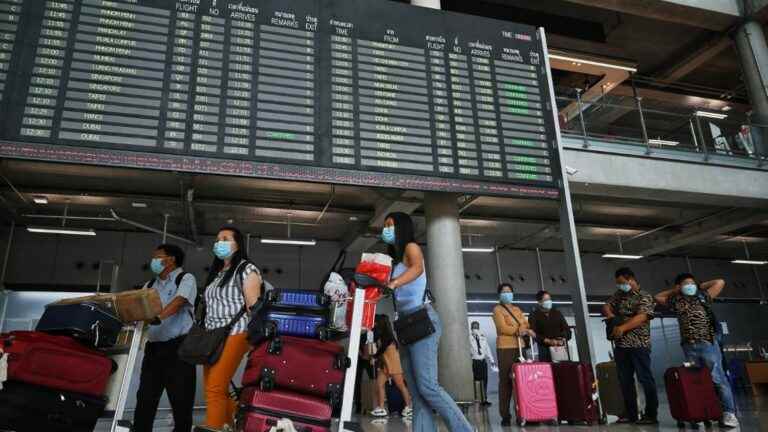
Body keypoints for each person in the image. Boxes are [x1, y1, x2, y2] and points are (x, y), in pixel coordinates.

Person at [383, 212, 473, 432]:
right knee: (416, 392)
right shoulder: (394, 261)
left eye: (390, 225)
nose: (386, 230)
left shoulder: (411, 247)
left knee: (428, 387)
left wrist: (393, 283)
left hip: (422, 320)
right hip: (405, 325)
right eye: (385, 226)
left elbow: (417, 268)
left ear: (402, 227)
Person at [198, 227, 262, 431]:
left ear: (237, 244)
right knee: (216, 388)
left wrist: (257, 340)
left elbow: (254, 307)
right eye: (217, 239)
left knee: (215, 388)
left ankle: (213, 427)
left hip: (236, 332)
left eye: (225, 239)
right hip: (212, 335)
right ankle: (238, 424)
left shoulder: (246, 269)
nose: (219, 243)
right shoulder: (218, 273)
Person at [655, 274, 739, 428]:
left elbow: (720, 281)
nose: (690, 286)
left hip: (707, 344)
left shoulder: (704, 297)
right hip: (689, 347)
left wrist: (699, 285)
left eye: (692, 283)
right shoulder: (676, 301)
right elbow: (658, 297)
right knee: (697, 381)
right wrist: (675, 291)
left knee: (718, 379)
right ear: (679, 287)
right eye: (686, 284)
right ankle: (702, 412)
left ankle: (729, 413)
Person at [133, 244, 197, 432]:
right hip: (153, 351)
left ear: (171, 260)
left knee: (181, 403)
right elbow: (139, 310)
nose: (154, 261)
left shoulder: (185, 278)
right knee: (145, 400)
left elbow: (179, 301)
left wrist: (158, 317)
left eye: (158, 257)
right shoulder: (149, 286)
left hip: (179, 350)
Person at [602, 267, 659, 425]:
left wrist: (622, 327)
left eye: (622, 283)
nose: (620, 286)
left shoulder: (645, 296)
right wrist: (611, 316)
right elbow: (606, 305)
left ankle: (651, 414)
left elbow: (642, 317)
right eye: (618, 284)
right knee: (624, 381)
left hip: (639, 344)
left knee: (645, 379)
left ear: (631, 280)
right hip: (621, 345)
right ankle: (630, 413)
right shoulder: (619, 295)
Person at [492, 282, 534, 427]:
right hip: (505, 348)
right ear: (499, 294)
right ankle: (505, 415)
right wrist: (519, 330)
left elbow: (526, 324)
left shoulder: (517, 309)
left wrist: (521, 328)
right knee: (505, 382)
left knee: (521, 382)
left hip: (520, 347)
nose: (507, 293)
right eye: (504, 291)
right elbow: (502, 327)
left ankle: (523, 413)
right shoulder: (497, 309)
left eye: (509, 291)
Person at [369, 314, 413, 418]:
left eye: (376, 322)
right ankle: (381, 408)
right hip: (386, 365)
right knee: (379, 384)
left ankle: (408, 408)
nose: (374, 323)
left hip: (393, 363)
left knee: (401, 385)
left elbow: (382, 348)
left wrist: (374, 357)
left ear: (380, 323)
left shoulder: (388, 337)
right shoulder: (382, 334)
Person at [528, 290, 570, 362]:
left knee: (561, 368)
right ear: (539, 302)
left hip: (559, 347)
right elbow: (534, 333)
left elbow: (567, 330)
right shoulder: (534, 315)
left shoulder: (557, 313)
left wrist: (562, 339)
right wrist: (548, 341)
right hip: (544, 349)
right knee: (547, 368)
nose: (549, 301)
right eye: (546, 300)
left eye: (549, 299)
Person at [469, 321, 497, 406]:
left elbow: (487, 349)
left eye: (477, 327)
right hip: (474, 362)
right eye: (474, 327)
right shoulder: (468, 338)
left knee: (484, 380)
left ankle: (484, 399)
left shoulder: (482, 337)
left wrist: (492, 360)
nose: (475, 328)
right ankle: (477, 399)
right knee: (476, 381)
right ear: (471, 328)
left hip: (483, 362)